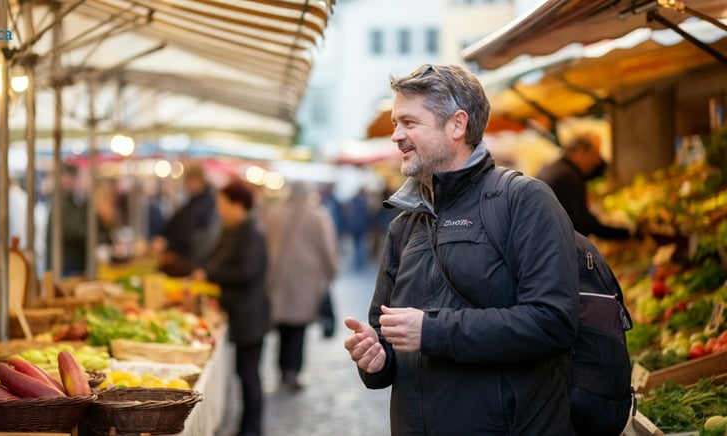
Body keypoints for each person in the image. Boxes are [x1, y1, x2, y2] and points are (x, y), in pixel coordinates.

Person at [342, 64, 580, 435]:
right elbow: (385, 335)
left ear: (457, 125)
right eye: (394, 123)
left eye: (409, 122)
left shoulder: (524, 200)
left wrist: (432, 331)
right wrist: (375, 358)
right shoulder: (405, 224)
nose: (396, 136)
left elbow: (554, 322)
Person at [193, 179, 269, 436]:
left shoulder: (251, 234)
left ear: (239, 205)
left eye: (223, 204)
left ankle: (252, 429)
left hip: (250, 315)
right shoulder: (233, 230)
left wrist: (212, 274)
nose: (219, 209)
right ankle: (247, 427)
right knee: (244, 373)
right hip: (241, 313)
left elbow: (247, 272)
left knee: (249, 375)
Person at [262, 181, 339, 390]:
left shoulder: (275, 212)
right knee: (298, 328)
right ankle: (292, 371)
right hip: (306, 277)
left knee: (282, 325)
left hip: (278, 276)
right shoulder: (318, 215)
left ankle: (281, 368)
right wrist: (331, 272)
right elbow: (327, 246)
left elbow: (265, 241)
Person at [536, 133, 633, 239]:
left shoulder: (556, 169)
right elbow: (585, 223)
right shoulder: (569, 177)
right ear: (580, 153)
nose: (597, 161)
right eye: (594, 155)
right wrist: (626, 233)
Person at [154, 163, 219, 277]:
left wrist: (172, 249)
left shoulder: (206, 205)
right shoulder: (193, 202)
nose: (186, 185)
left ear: (198, 180)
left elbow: (194, 236)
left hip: (189, 262)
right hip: (184, 258)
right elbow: (174, 224)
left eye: (188, 181)